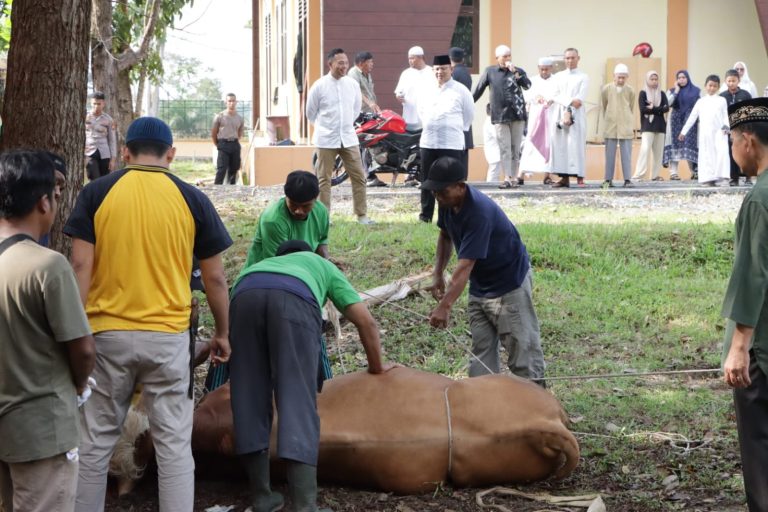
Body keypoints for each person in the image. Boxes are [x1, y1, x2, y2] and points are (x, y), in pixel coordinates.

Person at [65, 117, 234, 512]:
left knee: (92, 445)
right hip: (169, 338)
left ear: (124, 151)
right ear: (171, 154)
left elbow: (79, 268)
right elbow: (215, 278)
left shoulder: (96, 193)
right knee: (174, 446)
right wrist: (222, 333)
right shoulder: (192, 198)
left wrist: (75, 333)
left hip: (105, 336)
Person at [229, 240, 396, 512]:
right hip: (293, 301)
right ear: (307, 254)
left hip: (244, 296)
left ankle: (262, 497)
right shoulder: (321, 265)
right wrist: (377, 366)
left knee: (248, 397)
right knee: (296, 399)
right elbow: (366, 321)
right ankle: (305, 506)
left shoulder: (257, 267)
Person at [0, 150, 95, 512]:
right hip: (43, 430)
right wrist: (81, 384)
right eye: (55, 196)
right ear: (43, 202)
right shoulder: (48, 266)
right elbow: (83, 349)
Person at [423, 156, 545, 381]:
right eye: (434, 191)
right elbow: (445, 235)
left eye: (442, 191)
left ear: (460, 186)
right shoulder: (447, 204)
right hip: (480, 287)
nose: (437, 196)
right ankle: (484, 407)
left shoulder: (479, 213)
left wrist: (445, 305)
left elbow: (465, 266)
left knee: (522, 353)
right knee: (481, 354)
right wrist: (438, 273)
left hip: (509, 285)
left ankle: (536, 405)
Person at [720, 97, 768, 512]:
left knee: (760, 447)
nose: (733, 151)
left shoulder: (759, 199)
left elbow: (753, 275)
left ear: (748, 140)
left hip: (763, 352)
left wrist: (739, 347)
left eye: (732, 141)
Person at [307, 48, 374, 225]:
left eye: (345, 62)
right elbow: (310, 113)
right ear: (330, 64)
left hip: (348, 137)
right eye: (340, 63)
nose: (344, 66)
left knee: (359, 175)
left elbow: (355, 109)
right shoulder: (319, 85)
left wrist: (344, 125)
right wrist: (325, 127)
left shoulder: (352, 85)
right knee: (324, 179)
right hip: (326, 139)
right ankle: (324, 217)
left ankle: (361, 215)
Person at [417, 55, 474, 223]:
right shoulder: (426, 89)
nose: (440, 72)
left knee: (450, 182)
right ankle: (425, 215)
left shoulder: (461, 90)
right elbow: (421, 112)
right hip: (429, 142)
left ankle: (449, 216)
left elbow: (468, 115)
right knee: (427, 180)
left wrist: (452, 128)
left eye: (443, 68)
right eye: (436, 69)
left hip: (451, 143)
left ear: (451, 69)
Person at [472, 44, 531, 189]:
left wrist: (516, 73)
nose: (507, 58)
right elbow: (478, 89)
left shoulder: (517, 71)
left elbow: (527, 85)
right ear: (497, 57)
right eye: (504, 56)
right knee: (505, 147)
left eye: (509, 55)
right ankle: (507, 178)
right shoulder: (490, 71)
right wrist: (467, 102)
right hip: (499, 115)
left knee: (515, 147)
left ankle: (514, 177)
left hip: (517, 115)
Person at [679, 75, 730, 186]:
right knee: (707, 154)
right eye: (710, 85)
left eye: (715, 86)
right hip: (706, 133)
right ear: (705, 86)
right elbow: (692, 117)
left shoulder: (722, 100)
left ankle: (722, 178)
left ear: (718, 87)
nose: (712, 88)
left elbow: (725, 115)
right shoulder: (701, 102)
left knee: (721, 153)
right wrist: (683, 131)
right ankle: (708, 178)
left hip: (720, 132)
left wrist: (726, 127)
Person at [550, 48, 589, 188]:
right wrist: (567, 105)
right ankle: (564, 178)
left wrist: (569, 106)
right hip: (560, 113)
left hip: (576, 115)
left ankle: (580, 177)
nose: (570, 60)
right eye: (567, 58)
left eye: (573, 58)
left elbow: (579, 101)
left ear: (578, 58)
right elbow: (554, 94)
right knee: (561, 146)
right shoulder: (558, 76)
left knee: (576, 145)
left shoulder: (583, 77)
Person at [347, 51, 386, 188]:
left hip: (369, 113)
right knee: (364, 142)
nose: (372, 64)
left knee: (372, 141)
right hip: (359, 113)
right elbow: (357, 92)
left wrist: (375, 107)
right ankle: (368, 175)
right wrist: (370, 103)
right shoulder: (353, 73)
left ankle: (372, 172)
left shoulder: (367, 74)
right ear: (362, 63)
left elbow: (370, 92)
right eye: (370, 62)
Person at [520, 57, 558, 185]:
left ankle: (547, 175)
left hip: (550, 117)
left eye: (546, 69)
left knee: (549, 145)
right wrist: (536, 97)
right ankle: (521, 174)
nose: (544, 72)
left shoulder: (557, 81)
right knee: (530, 144)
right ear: (538, 68)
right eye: (542, 69)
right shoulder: (532, 81)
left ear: (551, 68)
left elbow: (559, 95)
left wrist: (552, 99)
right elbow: (525, 96)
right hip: (535, 118)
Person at [600, 63, 635, 188]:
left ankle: (627, 180)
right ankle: (608, 180)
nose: (621, 80)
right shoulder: (606, 89)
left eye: (623, 77)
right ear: (614, 76)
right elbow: (604, 105)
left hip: (626, 125)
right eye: (619, 77)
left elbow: (631, 107)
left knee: (626, 154)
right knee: (609, 154)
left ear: (627, 77)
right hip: (611, 125)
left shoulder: (630, 90)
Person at [631, 71, 669, 182]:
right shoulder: (643, 93)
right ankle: (638, 175)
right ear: (647, 80)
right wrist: (658, 110)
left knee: (658, 153)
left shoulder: (662, 93)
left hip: (661, 126)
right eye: (651, 79)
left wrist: (653, 108)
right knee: (645, 150)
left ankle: (655, 175)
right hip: (648, 126)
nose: (654, 81)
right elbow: (643, 109)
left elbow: (666, 108)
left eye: (656, 79)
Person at [663, 70, 700, 181]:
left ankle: (695, 172)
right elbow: (667, 104)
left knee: (690, 145)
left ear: (688, 78)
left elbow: (700, 106)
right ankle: (673, 173)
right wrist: (676, 91)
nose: (681, 79)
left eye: (684, 77)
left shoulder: (696, 91)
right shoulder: (672, 91)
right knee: (675, 145)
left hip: (690, 121)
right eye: (679, 77)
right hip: (675, 120)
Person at [720, 68, 753, 186]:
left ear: (738, 81)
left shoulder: (745, 94)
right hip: (729, 131)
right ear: (725, 81)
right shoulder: (722, 96)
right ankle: (734, 178)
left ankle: (748, 177)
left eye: (733, 81)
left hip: (743, 129)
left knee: (746, 152)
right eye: (729, 81)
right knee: (731, 153)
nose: (731, 83)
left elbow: (751, 111)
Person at [394, 46, 435, 131]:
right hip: (409, 116)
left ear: (421, 57)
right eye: (409, 58)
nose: (410, 61)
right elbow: (398, 92)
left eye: (412, 58)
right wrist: (398, 96)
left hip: (428, 117)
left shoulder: (432, 72)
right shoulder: (406, 73)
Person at [211, 92, 245, 185]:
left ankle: (231, 189)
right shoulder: (220, 116)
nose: (231, 103)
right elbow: (214, 133)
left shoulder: (240, 118)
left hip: (235, 144)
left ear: (236, 102)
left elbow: (240, 133)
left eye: (233, 101)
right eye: (229, 101)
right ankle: (216, 189)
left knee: (234, 169)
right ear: (226, 102)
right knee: (221, 169)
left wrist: (235, 140)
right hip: (223, 144)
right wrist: (218, 145)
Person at [85, 92, 117, 181]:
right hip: (89, 152)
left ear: (103, 104)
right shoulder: (85, 117)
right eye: (94, 104)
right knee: (94, 179)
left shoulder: (109, 119)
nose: (96, 106)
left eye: (99, 104)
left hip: (104, 154)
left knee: (104, 181)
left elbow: (112, 140)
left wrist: (113, 159)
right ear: (91, 103)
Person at [449, 47, 474, 159]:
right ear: (462, 59)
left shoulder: (453, 74)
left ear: (450, 58)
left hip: (455, 116)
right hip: (465, 114)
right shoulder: (466, 72)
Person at [483, 103, 503, 182]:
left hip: (494, 151)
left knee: (495, 172)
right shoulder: (490, 122)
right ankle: (490, 188)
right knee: (494, 172)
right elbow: (497, 136)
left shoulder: (489, 121)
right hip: (494, 152)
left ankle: (492, 187)